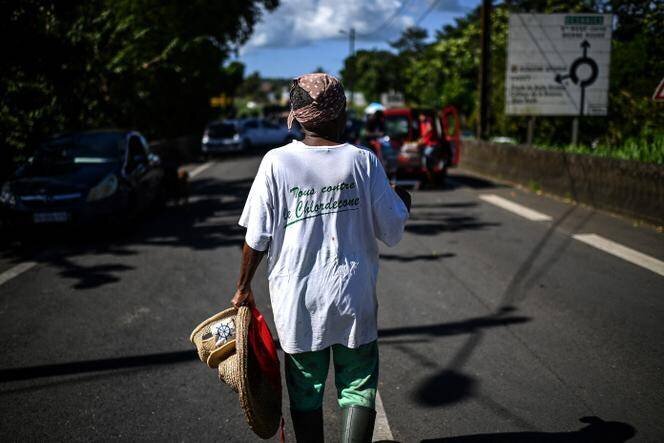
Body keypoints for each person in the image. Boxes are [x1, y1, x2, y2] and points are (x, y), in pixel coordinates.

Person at [232, 73, 410, 442]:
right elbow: (391, 229)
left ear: (296, 115)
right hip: (353, 295)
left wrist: (243, 287)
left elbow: (257, 237)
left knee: (305, 389)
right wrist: (403, 201)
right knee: (358, 385)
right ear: (341, 113)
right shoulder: (364, 162)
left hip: (298, 300)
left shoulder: (276, 163)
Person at [418, 113, 440, 187]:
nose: (420, 118)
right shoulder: (422, 124)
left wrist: (423, 136)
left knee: (426, 156)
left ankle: (428, 167)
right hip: (427, 145)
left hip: (432, 145)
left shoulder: (428, 121)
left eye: (421, 116)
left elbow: (429, 129)